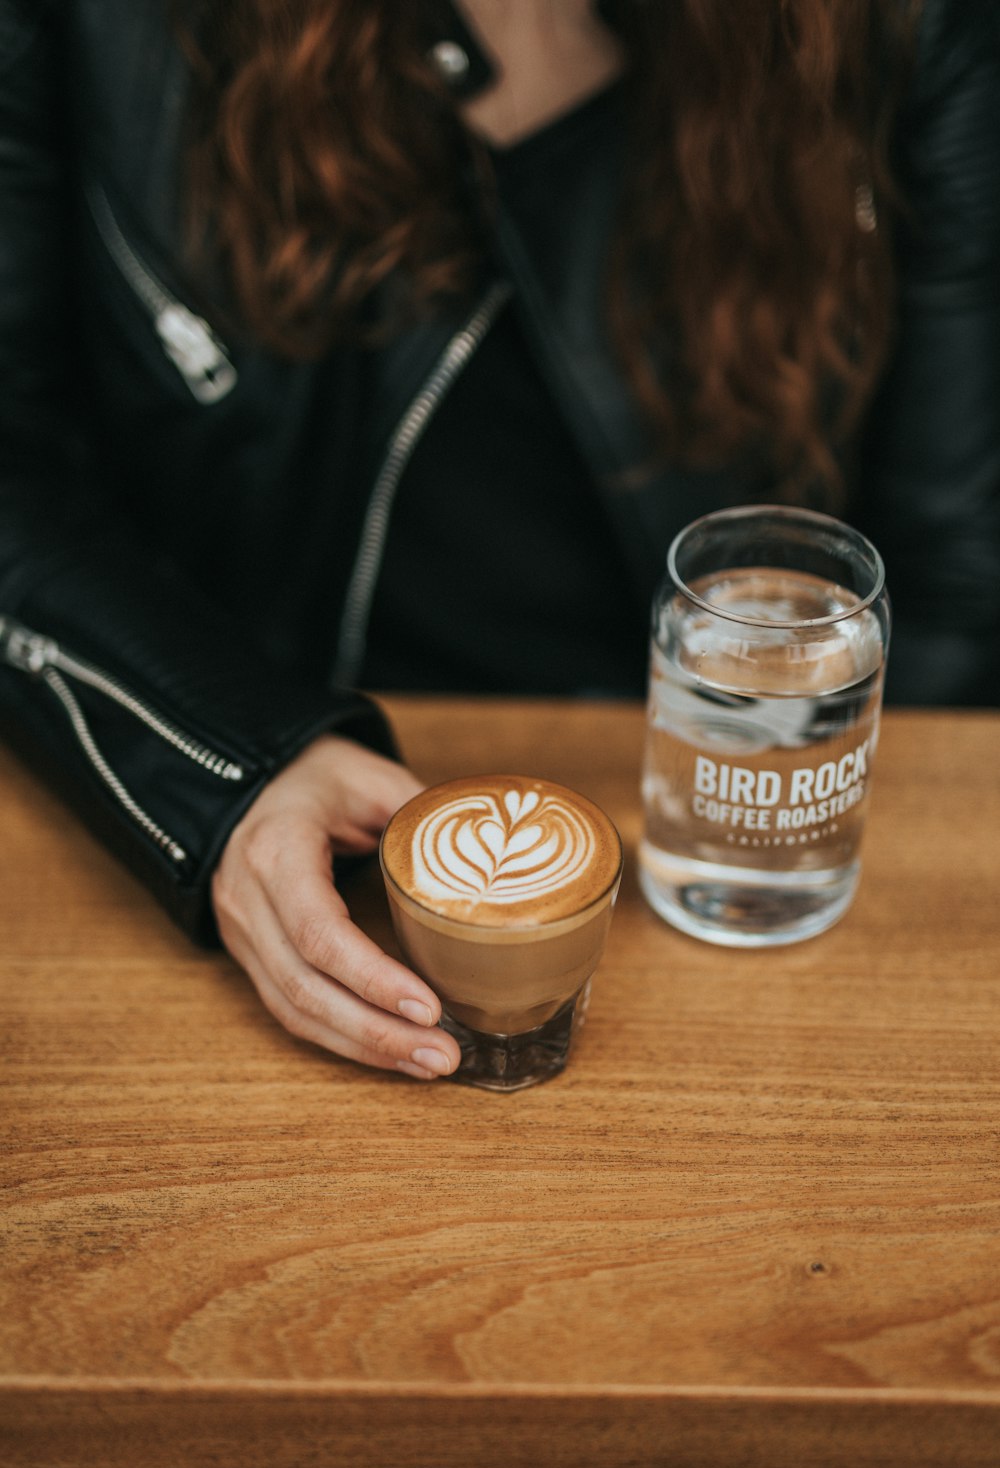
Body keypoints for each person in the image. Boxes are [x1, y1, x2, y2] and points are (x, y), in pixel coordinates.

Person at [1, 0, 998, 1089]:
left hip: (738, 879)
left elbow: (949, 558)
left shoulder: (892, 26)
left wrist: (815, 839)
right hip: (293, 815)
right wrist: (227, 767)